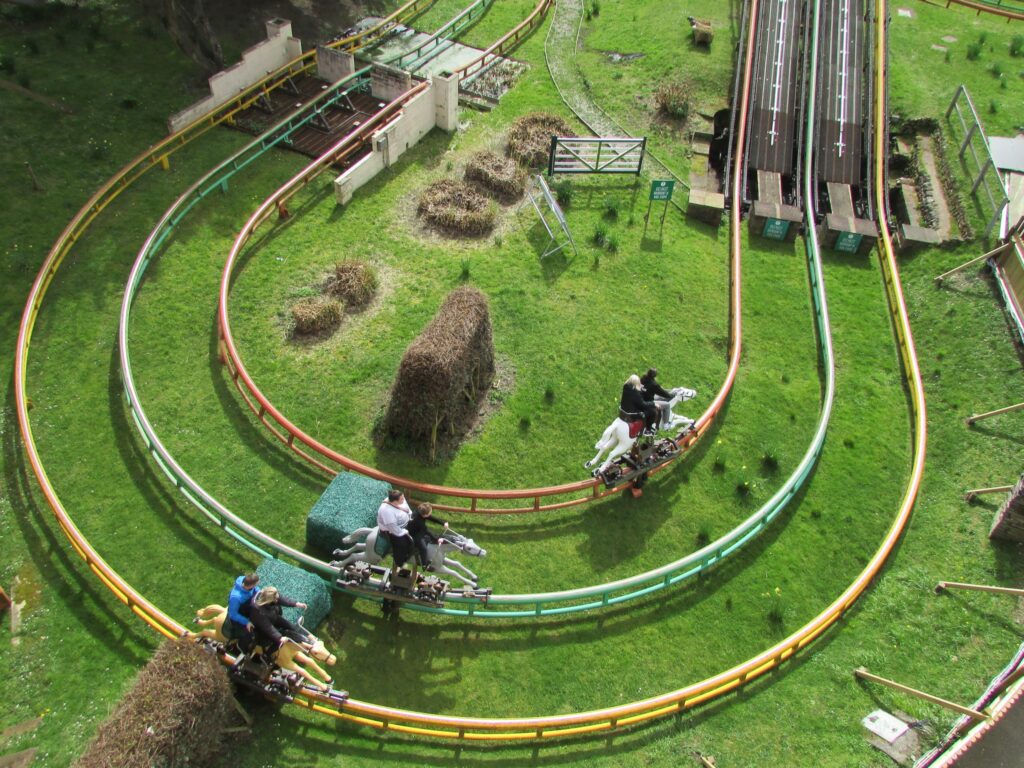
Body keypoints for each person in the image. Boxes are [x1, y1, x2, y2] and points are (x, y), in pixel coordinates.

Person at [249, 586, 309, 653]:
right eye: (276, 600)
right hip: (261, 627)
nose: (277, 600)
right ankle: (267, 655)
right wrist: (279, 637)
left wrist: (296, 604)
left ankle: (306, 641)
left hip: (273, 617)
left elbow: (282, 599)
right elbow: (267, 627)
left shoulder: (271, 595)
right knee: (280, 639)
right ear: (268, 600)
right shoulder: (258, 611)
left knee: (291, 627)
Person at [377, 489, 414, 568]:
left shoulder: (399, 499)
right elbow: (393, 528)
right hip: (392, 531)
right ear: (395, 501)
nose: (404, 499)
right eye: (402, 499)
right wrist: (404, 532)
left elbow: (407, 508)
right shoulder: (386, 511)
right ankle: (399, 562)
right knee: (402, 544)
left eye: (403, 497)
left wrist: (410, 517)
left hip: (405, 524)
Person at [407, 502, 448, 570]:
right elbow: (426, 531)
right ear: (425, 515)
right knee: (423, 548)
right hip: (414, 534)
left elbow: (430, 517)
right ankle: (424, 565)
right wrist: (436, 539)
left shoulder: (420, 512)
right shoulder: (419, 522)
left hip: (418, 529)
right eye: (430, 512)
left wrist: (443, 523)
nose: (430, 513)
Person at [225, 573, 260, 653]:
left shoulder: (245, 579)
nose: (257, 585)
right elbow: (233, 614)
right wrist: (246, 622)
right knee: (250, 634)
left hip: (247, 607)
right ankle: (239, 648)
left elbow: (256, 589)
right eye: (256, 584)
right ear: (251, 585)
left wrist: (260, 593)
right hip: (239, 614)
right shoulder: (236, 597)